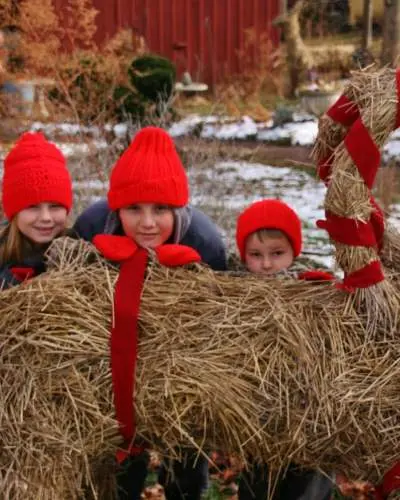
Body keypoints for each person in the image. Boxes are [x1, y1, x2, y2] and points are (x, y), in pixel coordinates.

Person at [73, 126, 227, 500]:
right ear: (116, 209)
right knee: (119, 465)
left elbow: (218, 320)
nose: (146, 224)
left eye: (161, 210)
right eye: (133, 209)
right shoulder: (91, 229)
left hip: (182, 363)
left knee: (186, 457)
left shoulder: (204, 243)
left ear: (179, 209)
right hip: (114, 363)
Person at [234, 199, 333, 500]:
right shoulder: (234, 294)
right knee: (258, 483)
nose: (266, 264)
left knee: (307, 483)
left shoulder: (314, 291)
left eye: (277, 253)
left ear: (294, 251)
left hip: (310, 413)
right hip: (259, 415)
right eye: (255, 255)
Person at [0, 132, 73, 290]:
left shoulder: (79, 255)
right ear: (14, 212)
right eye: (32, 207)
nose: (46, 217)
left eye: (55, 206)